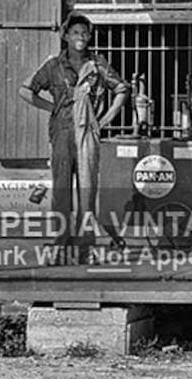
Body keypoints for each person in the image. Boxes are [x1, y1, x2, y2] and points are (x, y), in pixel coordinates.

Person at [19, 13, 128, 262]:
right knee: (61, 194)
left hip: (88, 132)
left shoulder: (98, 64)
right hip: (61, 132)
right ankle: (61, 248)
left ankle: (85, 251)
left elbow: (121, 89)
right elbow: (25, 90)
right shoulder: (53, 65)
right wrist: (51, 108)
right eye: (76, 32)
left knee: (87, 194)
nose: (81, 37)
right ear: (66, 36)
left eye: (85, 33)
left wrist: (104, 120)